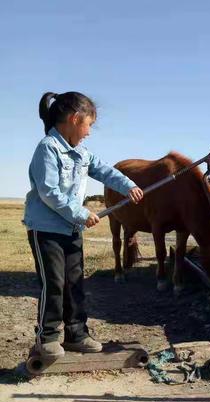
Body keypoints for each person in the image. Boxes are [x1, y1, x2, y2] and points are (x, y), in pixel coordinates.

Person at [23, 91, 144, 359]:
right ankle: (48, 337)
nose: (89, 132)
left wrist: (129, 186)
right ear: (75, 119)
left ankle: (77, 333)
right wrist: (81, 212)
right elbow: (49, 192)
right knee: (54, 282)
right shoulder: (48, 148)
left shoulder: (81, 152)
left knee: (74, 282)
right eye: (89, 125)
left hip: (70, 230)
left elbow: (104, 170)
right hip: (46, 230)